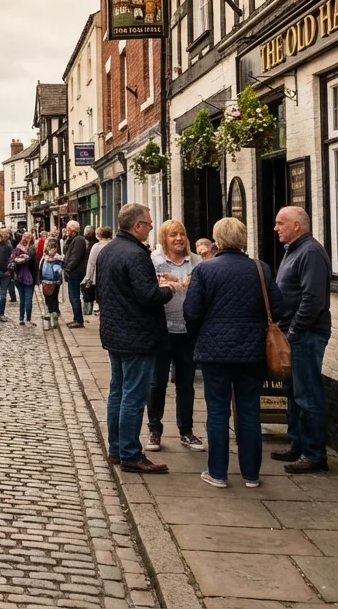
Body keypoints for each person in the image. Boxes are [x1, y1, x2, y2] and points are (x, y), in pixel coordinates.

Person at [184, 217, 283, 488]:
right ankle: (251, 475)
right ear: (243, 239)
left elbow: (191, 313)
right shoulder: (260, 269)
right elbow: (278, 308)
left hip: (214, 353)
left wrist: (200, 336)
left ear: (218, 240)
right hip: (252, 353)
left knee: (217, 412)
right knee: (250, 411)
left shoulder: (205, 271)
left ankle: (217, 473)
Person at [96, 202, 180, 474]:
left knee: (118, 392)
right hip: (136, 335)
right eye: (148, 223)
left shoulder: (108, 250)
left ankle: (117, 448)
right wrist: (170, 289)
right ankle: (131, 453)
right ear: (137, 226)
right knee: (133, 395)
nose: (151, 227)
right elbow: (148, 296)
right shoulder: (136, 253)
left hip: (114, 333)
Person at [272, 206, 332, 474]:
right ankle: (297, 444)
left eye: (280, 223)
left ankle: (314, 453)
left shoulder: (310, 252)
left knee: (307, 394)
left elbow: (313, 298)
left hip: (306, 334)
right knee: (293, 393)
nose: (276, 228)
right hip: (292, 333)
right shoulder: (294, 251)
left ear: (297, 225)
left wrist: (295, 330)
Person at [147, 221, 204, 452]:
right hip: (163, 330)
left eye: (182, 234)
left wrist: (185, 285)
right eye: (173, 235)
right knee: (157, 382)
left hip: (187, 330)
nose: (179, 238)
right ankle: (154, 430)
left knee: (186, 383)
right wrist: (162, 284)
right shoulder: (155, 261)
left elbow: (203, 291)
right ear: (164, 238)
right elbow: (149, 292)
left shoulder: (196, 262)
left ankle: (186, 430)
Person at [61, 220, 88, 329]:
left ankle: (78, 319)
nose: (67, 230)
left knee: (74, 297)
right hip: (73, 272)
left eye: (68, 229)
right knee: (72, 297)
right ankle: (76, 318)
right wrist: (67, 239)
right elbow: (65, 251)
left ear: (73, 229)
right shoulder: (73, 239)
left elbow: (75, 257)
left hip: (76, 272)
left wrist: (68, 269)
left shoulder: (79, 240)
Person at [82, 226, 113, 317]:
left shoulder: (96, 247)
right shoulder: (114, 244)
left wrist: (87, 278)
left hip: (99, 277)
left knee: (101, 297)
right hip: (112, 276)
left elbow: (91, 263)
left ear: (98, 236)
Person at [10, 232, 37, 325]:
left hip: (20, 276)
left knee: (23, 299)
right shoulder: (32, 249)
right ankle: (27, 319)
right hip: (28, 277)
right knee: (28, 299)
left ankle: (22, 318)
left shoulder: (18, 248)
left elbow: (13, 259)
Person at [39, 242, 64, 329]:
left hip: (49, 281)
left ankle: (51, 314)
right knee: (52, 297)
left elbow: (40, 269)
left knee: (50, 297)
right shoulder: (58, 259)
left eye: (53, 248)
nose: (52, 250)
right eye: (51, 248)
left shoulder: (48, 258)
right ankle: (54, 314)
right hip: (50, 281)